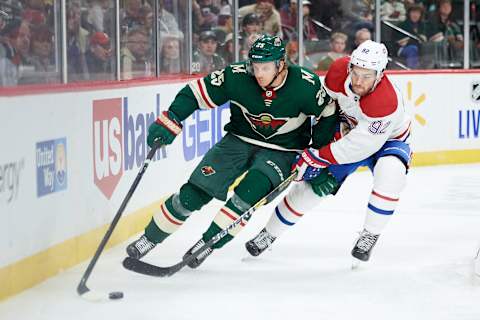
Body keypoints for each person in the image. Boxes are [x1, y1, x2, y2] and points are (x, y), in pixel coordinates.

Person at [126, 35, 338, 269]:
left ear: (281, 65)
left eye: (265, 68)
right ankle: (149, 238)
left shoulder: (305, 85)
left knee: (246, 197)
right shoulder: (236, 76)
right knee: (194, 192)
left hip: (283, 152)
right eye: (255, 66)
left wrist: (318, 157)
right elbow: (194, 93)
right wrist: (172, 117)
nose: (258, 74)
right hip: (237, 141)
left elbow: (328, 114)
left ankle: (206, 245)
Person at [245, 40, 412, 264]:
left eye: (367, 76)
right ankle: (268, 234)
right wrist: (318, 142)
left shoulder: (386, 102)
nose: (359, 81)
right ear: (350, 66)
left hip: (388, 140)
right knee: (313, 187)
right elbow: (326, 106)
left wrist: (319, 156)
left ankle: (370, 234)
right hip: (347, 133)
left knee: (391, 173)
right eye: (356, 73)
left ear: (380, 75)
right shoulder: (337, 72)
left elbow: (362, 145)